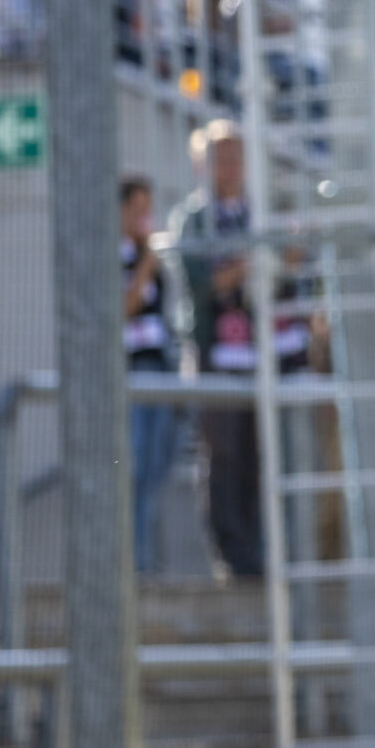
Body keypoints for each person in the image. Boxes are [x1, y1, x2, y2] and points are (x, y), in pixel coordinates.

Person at [168, 120, 309, 579]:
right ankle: (233, 559)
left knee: (268, 454)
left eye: (235, 156)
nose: (229, 166)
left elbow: (291, 266)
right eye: (219, 157)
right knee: (225, 456)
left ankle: (271, 552)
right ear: (200, 165)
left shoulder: (263, 212)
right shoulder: (192, 218)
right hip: (220, 356)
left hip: (271, 352)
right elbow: (199, 282)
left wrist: (279, 255)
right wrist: (252, 261)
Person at [121, 176, 178, 577]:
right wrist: (146, 266)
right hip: (131, 373)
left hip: (161, 369)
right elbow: (125, 307)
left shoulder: (152, 260)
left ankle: (148, 561)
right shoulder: (116, 257)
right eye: (137, 210)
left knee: (157, 469)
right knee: (133, 468)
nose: (145, 219)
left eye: (148, 210)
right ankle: (135, 565)